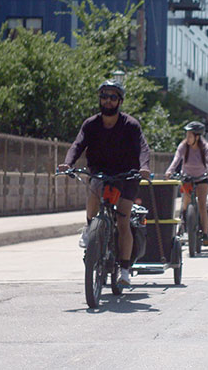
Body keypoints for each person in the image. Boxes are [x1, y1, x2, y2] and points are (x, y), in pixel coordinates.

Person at [58, 80, 151, 288]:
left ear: (120, 101)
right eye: (104, 96)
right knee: (94, 189)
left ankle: (125, 270)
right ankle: (91, 228)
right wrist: (67, 163)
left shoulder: (131, 125)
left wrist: (144, 167)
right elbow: (78, 144)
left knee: (123, 220)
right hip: (101, 173)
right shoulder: (91, 124)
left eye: (113, 97)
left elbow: (143, 148)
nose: (108, 101)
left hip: (127, 175)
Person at [165, 121, 208, 245]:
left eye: (190, 135)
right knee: (185, 204)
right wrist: (169, 171)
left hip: (202, 177)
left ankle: (205, 234)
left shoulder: (205, 147)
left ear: (197, 137)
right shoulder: (183, 146)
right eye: (187, 134)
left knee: (202, 205)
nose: (187, 137)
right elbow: (176, 159)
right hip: (187, 177)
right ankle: (183, 226)